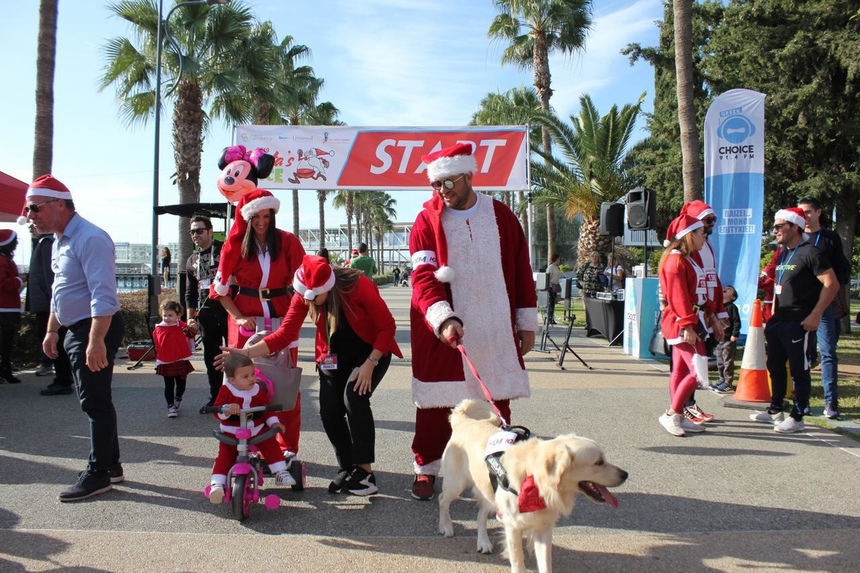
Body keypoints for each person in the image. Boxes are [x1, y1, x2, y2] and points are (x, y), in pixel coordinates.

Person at [408, 142, 536, 500]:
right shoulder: (425, 221)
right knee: (436, 406)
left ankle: (498, 465)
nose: (444, 191)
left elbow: (521, 270)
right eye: (437, 185)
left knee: (497, 402)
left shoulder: (502, 216)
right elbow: (423, 277)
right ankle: (427, 466)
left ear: (468, 175)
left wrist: (526, 321)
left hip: (494, 326)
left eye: (450, 183)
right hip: (444, 328)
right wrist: (442, 316)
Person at [219, 255, 402, 496]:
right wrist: (246, 352)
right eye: (305, 297)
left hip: (371, 351)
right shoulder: (304, 291)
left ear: (327, 287)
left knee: (353, 398)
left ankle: (365, 473)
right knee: (328, 409)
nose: (309, 302)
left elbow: (388, 326)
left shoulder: (358, 286)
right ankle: (348, 467)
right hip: (332, 355)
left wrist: (370, 363)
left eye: (315, 297)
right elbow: (285, 334)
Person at [22, 174, 125, 501]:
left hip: (93, 328)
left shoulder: (89, 238)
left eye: (34, 208)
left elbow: (103, 295)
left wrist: (95, 341)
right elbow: (60, 291)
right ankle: (112, 465)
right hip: (76, 328)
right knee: (98, 398)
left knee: (93, 401)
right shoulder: (58, 240)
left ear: (58, 205)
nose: (30, 215)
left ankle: (98, 474)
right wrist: (53, 329)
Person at [211, 189, 306, 468]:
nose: (262, 222)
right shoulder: (234, 245)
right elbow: (221, 290)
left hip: (282, 317)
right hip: (245, 320)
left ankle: (287, 448)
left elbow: (304, 280)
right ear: (248, 217)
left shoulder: (287, 241)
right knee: (241, 384)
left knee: (285, 384)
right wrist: (239, 317)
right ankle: (244, 444)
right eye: (256, 216)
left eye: (267, 216)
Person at [750, 207, 838, 434]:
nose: (775, 230)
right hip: (779, 320)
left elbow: (832, 284)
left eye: (780, 226)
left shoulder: (811, 252)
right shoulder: (783, 253)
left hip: (800, 321)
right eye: (774, 226)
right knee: (775, 366)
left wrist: (815, 314)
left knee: (800, 369)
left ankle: (798, 415)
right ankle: (775, 410)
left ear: (795, 226)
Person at [207, 353, 295, 504]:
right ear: (232, 380)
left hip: (256, 430)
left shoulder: (258, 390)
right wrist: (226, 409)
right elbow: (217, 410)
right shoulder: (226, 390)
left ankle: (280, 471)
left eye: (253, 374)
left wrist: (274, 423)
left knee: (270, 444)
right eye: (245, 376)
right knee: (224, 456)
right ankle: (218, 484)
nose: (251, 379)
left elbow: (267, 410)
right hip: (232, 432)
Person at [657, 214, 711, 437]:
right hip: (681, 322)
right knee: (698, 371)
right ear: (690, 235)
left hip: (687, 320)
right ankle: (672, 413)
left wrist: (711, 315)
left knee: (680, 370)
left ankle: (677, 415)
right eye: (701, 233)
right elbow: (678, 296)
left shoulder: (685, 258)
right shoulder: (676, 260)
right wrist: (688, 325)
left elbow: (695, 292)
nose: (704, 238)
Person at [797, 196, 851, 419]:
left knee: (828, 352)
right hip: (799, 307)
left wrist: (829, 288)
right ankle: (803, 401)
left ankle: (831, 403)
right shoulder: (795, 236)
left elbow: (843, 271)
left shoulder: (829, 238)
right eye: (801, 213)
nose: (805, 217)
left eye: (808, 211)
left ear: (819, 212)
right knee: (801, 355)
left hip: (824, 306)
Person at [184, 215, 228, 414]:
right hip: (206, 313)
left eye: (199, 230)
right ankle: (216, 397)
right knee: (212, 358)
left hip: (228, 310)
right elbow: (190, 293)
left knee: (237, 354)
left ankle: (242, 397)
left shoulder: (224, 250)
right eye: (192, 231)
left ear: (210, 231)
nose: (195, 235)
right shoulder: (192, 260)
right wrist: (190, 318)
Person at [26, 226, 75, 394]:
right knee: (55, 341)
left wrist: (54, 305)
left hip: (48, 306)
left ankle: (63, 380)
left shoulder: (47, 243)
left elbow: (50, 278)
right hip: (47, 304)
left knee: (56, 342)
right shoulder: (44, 242)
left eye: (32, 227)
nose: (31, 229)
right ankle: (63, 377)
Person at [153, 300, 195, 418]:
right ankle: (170, 406)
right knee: (169, 385)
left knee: (181, 383)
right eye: (164, 315)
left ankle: (178, 398)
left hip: (181, 359)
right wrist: (158, 358)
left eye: (170, 315)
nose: (167, 318)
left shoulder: (182, 327)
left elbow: (191, 335)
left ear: (178, 315)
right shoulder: (159, 328)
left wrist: (191, 328)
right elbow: (157, 344)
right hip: (166, 360)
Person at [0, 230, 23, 384]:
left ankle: (5, 370)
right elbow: (3, 283)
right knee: (5, 343)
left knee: (6, 343)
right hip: (5, 307)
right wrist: (19, 281)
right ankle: (5, 370)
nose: (17, 244)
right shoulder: (2, 261)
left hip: (6, 307)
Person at [711, 285, 741, 394]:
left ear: (733, 297)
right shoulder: (718, 307)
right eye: (724, 289)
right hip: (719, 339)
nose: (725, 289)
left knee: (728, 361)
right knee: (719, 361)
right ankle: (721, 379)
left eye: (729, 290)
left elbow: (736, 322)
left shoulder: (732, 307)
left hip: (728, 339)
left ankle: (728, 382)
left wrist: (735, 334)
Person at [546, 253, 561, 325]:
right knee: (550, 303)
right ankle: (549, 318)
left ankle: (552, 318)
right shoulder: (551, 267)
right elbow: (548, 277)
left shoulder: (557, 267)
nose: (559, 260)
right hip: (551, 287)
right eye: (558, 259)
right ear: (556, 259)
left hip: (555, 286)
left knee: (553, 303)